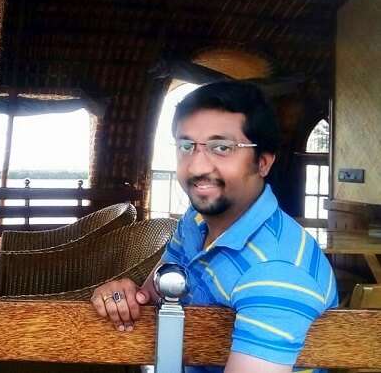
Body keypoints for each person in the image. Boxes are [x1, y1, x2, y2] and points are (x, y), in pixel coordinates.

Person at [90, 81, 337, 373]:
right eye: (186, 146)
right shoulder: (195, 221)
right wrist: (124, 295)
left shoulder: (276, 272)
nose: (196, 168)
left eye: (221, 147)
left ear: (263, 163)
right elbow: (158, 290)